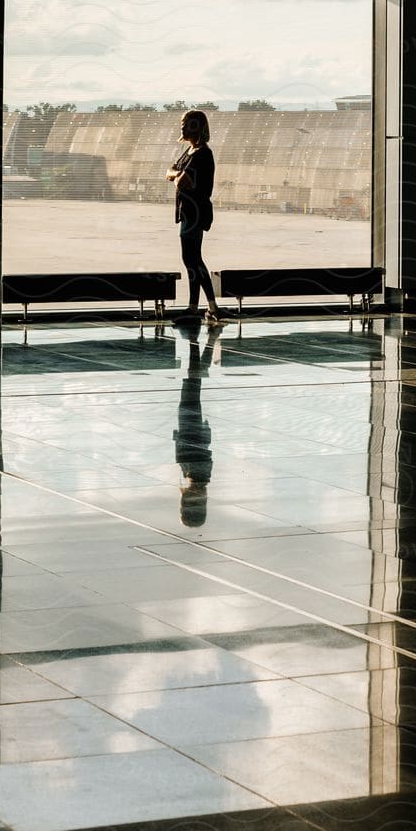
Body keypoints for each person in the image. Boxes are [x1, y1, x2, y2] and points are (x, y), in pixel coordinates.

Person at [166, 109, 227, 326]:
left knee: (192, 259)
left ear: (199, 127)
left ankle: (210, 307)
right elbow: (171, 173)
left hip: (194, 212)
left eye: (188, 124)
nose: (183, 127)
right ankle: (197, 307)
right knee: (191, 259)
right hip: (188, 212)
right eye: (183, 123)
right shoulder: (190, 151)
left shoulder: (201, 153)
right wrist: (176, 174)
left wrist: (176, 175)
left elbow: (181, 180)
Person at [174, 328, 216, 527]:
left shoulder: (199, 476)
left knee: (195, 379)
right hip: (189, 424)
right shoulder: (194, 474)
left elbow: (206, 453)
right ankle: (196, 340)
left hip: (191, 427)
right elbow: (195, 452)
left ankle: (205, 341)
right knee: (193, 380)